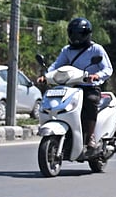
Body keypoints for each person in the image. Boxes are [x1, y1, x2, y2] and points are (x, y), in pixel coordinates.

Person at [42, 17, 112, 160]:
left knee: (90, 101)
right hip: (70, 87)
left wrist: (96, 76)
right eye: (73, 34)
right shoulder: (67, 50)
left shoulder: (96, 49)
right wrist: (46, 76)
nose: (76, 37)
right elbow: (56, 66)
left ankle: (91, 137)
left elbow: (107, 69)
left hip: (89, 87)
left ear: (86, 34)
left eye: (79, 34)